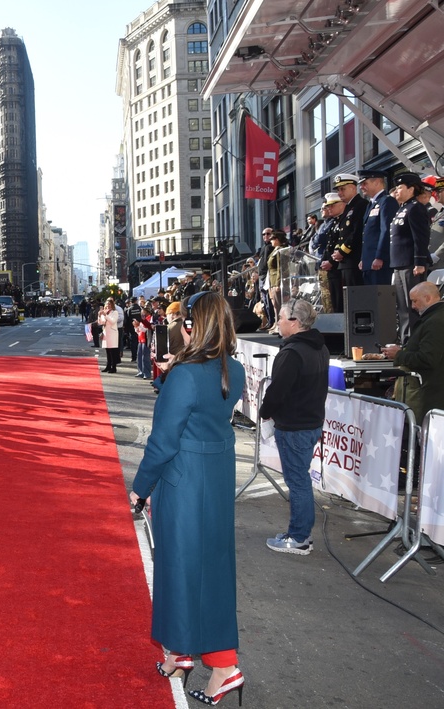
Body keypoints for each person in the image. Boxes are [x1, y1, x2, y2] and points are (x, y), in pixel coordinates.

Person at [129, 291, 246, 706]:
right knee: (208, 567)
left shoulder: (187, 374)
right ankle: (182, 653)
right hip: (214, 477)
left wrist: (139, 488)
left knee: (181, 569)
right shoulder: (234, 368)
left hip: (183, 481)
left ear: (191, 326)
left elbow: (163, 442)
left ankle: (223, 666)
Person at [259, 299, 330, 555]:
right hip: (309, 423)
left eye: (280, 317)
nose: (277, 321)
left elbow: (277, 392)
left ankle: (299, 537)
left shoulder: (293, 353)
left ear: (295, 322)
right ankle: (300, 534)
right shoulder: (318, 348)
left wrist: (265, 412)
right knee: (300, 480)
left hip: (295, 426)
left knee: (298, 481)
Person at [382, 282, 444, 425]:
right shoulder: (433, 318)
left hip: (429, 396)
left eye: (415, 301)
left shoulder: (435, 322)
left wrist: (399, 355)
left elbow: (428, 358)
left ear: (428, 298)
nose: (413, 306)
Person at [390, 172, 433, 343]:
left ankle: (414, 342)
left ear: (411, 188)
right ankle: (405, 341)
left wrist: (419, 262)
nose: (397, 191)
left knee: (413, 305)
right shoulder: (403, 208)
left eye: (400, 187)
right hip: (400, 263)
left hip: (411, 264)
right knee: (402, 307)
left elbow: (420, 237)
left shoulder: (415, 207)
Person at [358, 169, 397, 286]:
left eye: (365, 183)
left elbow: (386, 230)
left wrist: (380, 256)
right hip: (369, 262)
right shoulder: (371, 204)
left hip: (380, 262)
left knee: (380, 300)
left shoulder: (387, 201)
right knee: (371, 301)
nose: (361, 187)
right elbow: (367, 234)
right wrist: (363, 258)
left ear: (377, 182)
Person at [330, 172, 368, 289]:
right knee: (347, 300)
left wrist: (342, 251)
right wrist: (337, 251)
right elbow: (342, 233)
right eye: (338, 190)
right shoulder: (348, 207)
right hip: (345, 261)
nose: (339, 193)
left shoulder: (361, 205)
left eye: (342, 189)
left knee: (355, 297)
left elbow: (356, 232)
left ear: (353, 188)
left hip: (354, 259)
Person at [97, 298, 120, 373]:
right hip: (106, 333)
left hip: (112, 333)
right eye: (107, 304)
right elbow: (101, 323)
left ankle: (114, 367)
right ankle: (108, 366)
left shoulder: (115, 312)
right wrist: (100, 316)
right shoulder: (105, 312)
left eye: (109, 304)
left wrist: (105, 315)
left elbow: (113, 321)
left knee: (112, 351)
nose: (108, 306)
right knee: (107, 351)